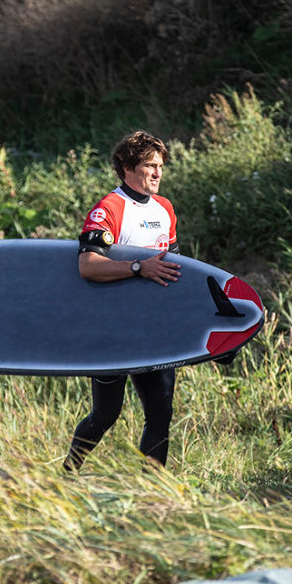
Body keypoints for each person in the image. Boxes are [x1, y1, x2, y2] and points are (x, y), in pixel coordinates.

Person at [65, 130, 183, 470]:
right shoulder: (109, 209)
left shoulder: (165, 209)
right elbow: (88, 266)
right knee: (106, 414)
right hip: (111, 329)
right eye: (150, 165)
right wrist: (137, 267)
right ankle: (68, 473)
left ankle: (153, 493)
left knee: (160, 413)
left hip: (154, 328)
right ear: (127, 167)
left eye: (160, 166)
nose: (158, 173)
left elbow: (173, 267)